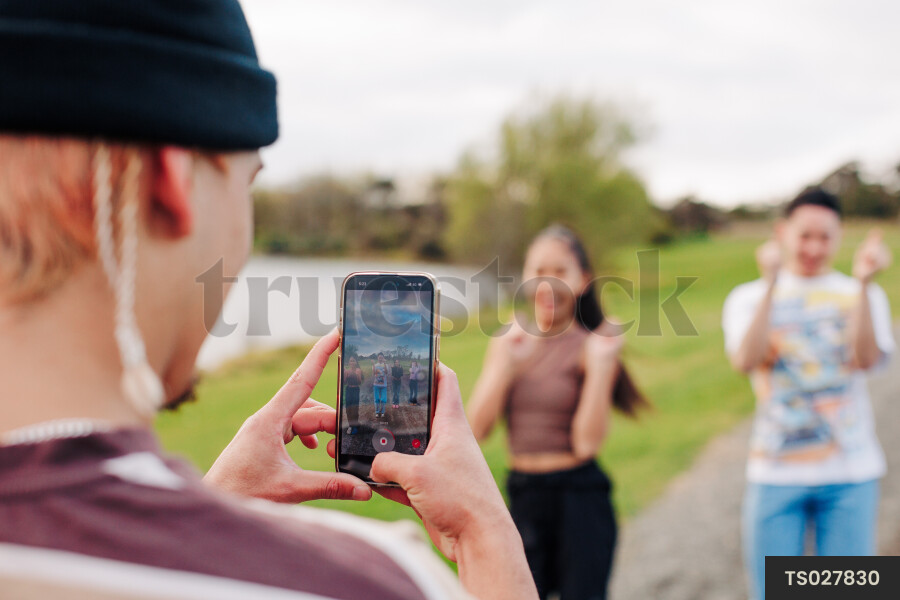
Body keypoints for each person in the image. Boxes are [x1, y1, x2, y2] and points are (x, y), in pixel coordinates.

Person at [0, 2, 538, 598]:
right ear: (172, 180)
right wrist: (484, 534)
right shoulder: (359, 582)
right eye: (246, 181)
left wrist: (212, 506)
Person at [722, 188, 893, 600]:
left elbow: (867, 360)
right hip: (775, 472)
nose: (814, 247)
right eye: (805, 235)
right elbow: (746, 359)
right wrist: (770, 286)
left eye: (825, 237)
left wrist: (865, 285)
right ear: (782, 232)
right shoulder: (745, 297)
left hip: (850, 474)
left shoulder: (865, 294)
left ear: (839, 237)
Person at [467, 225, 647, 600]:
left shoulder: (594, 347)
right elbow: (476, 431)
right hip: (522, 496)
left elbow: (587, 444)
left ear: (582, 280)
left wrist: (600, 368)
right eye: (538, 272)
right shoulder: (508, 340)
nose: (548, 284)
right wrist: (506, 367)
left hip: (579, 499)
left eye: (560, 272)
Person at [344, 356, 363, 434]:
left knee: (355, 408)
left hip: (356, 389)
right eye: (350, 361)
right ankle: (350, 425)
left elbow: (359, 382)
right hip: (348, 390)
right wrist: (345, 374)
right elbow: (344, 383)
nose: (352, 362)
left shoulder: (358, 370)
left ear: (356, 362)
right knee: (348, 409)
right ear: (349, 363)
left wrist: (357, 374)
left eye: (353, 361)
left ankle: (355, 426)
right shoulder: (347, 371)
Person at [373, 353, 389, 418]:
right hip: (376, 384)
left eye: (382, 357)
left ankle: (382, 412)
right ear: (377, 358)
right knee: (376, 399)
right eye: (379, 357)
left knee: (383, 399)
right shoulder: (375, 365)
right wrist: (373, 365)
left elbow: (386, 372)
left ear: (383, 358)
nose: (380, 359)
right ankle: (377, 412)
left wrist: (384, 364)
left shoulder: (386, 365)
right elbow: (374, 373)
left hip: (384, 385)